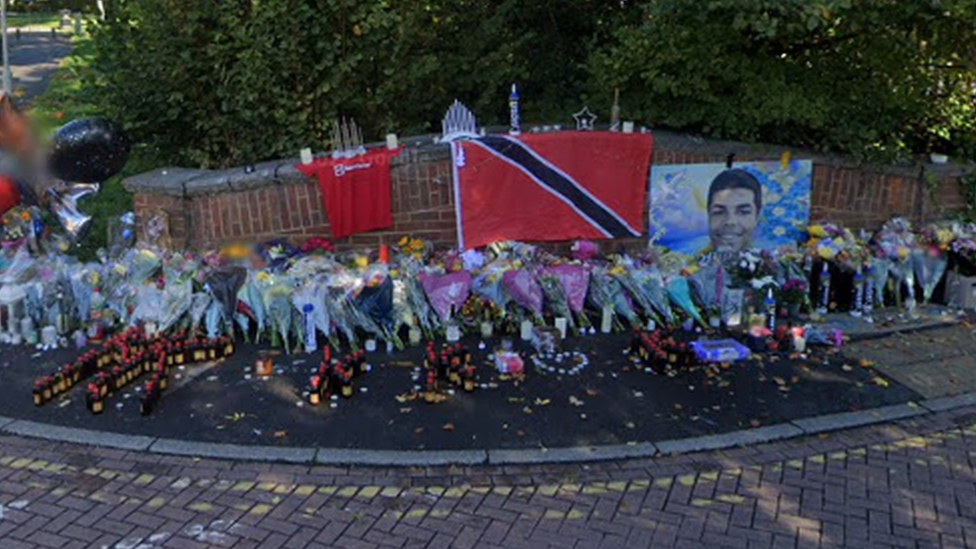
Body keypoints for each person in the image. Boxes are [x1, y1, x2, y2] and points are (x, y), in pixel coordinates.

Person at [707, 168, 762, 254]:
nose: (730, 222)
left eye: (743, 212)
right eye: (719, 212)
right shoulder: (687, 265)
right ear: (709, 215)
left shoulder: (778, 265)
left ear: (757, 217)